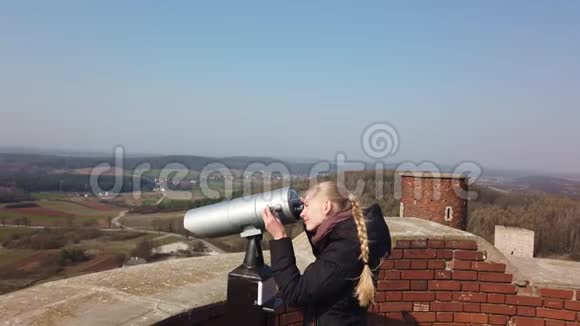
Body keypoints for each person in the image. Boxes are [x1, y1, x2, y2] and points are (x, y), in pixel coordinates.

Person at [262, 181, 391, 326]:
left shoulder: (345, 250)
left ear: (326, 206)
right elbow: (325, 251)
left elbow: (294, 293)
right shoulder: (350, 236)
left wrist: (280, 238)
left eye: (307, 206)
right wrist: (309, 216)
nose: (302, 212)